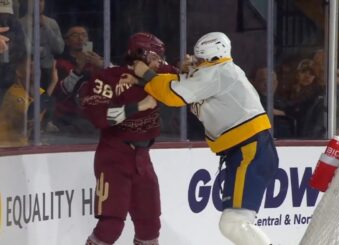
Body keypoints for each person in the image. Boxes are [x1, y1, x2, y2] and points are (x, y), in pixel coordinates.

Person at [125, 32, 279, 245]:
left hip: (249, 150)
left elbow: (174, 94)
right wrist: (189, 70)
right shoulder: (219, 71)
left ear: (213, 58)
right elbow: (185, 83)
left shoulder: (217, 72)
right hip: (248, 149)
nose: (194, 62)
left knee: (234, 223)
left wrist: (148, 76)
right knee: (236, 222)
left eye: (199, 59)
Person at [79, 32, 177, 245]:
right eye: (155, 57)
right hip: (114, 155)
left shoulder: (160, 73)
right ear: (140, 54)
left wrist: (192, 67)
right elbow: (100, 118)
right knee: (111, 226)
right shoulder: (107, 78)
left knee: (150, 224)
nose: (160, 62)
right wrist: (139, 107)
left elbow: (184, 84)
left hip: (142, 157)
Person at [52, 25, 103, 135]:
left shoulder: (97, 62)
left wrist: (102, 66)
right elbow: (60, 92)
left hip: (91, 116)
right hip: (67, 117)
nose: (80, 38)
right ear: (67, 41)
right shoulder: (60, 63)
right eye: (75, 35)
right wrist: (78, 69)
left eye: (84, 35)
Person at [0, 53, 57, 147]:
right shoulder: (15, 95)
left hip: (21, 146)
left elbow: (44, 99)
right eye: (31, 67)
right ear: (18, 72)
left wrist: (54, 81)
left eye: (37, 67)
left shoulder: (33, 89)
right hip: (7, 148)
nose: (36, 70)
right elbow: (31, 118)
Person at [20, 0, 64, 89]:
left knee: (47, 100)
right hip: (27, 72)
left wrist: (46, 27)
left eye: (41, 1)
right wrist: (43, 50)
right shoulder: (20, 23)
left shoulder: (52, 23)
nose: (39, 4)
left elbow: (59, 49)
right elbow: (22, 49)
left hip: (48, 71)